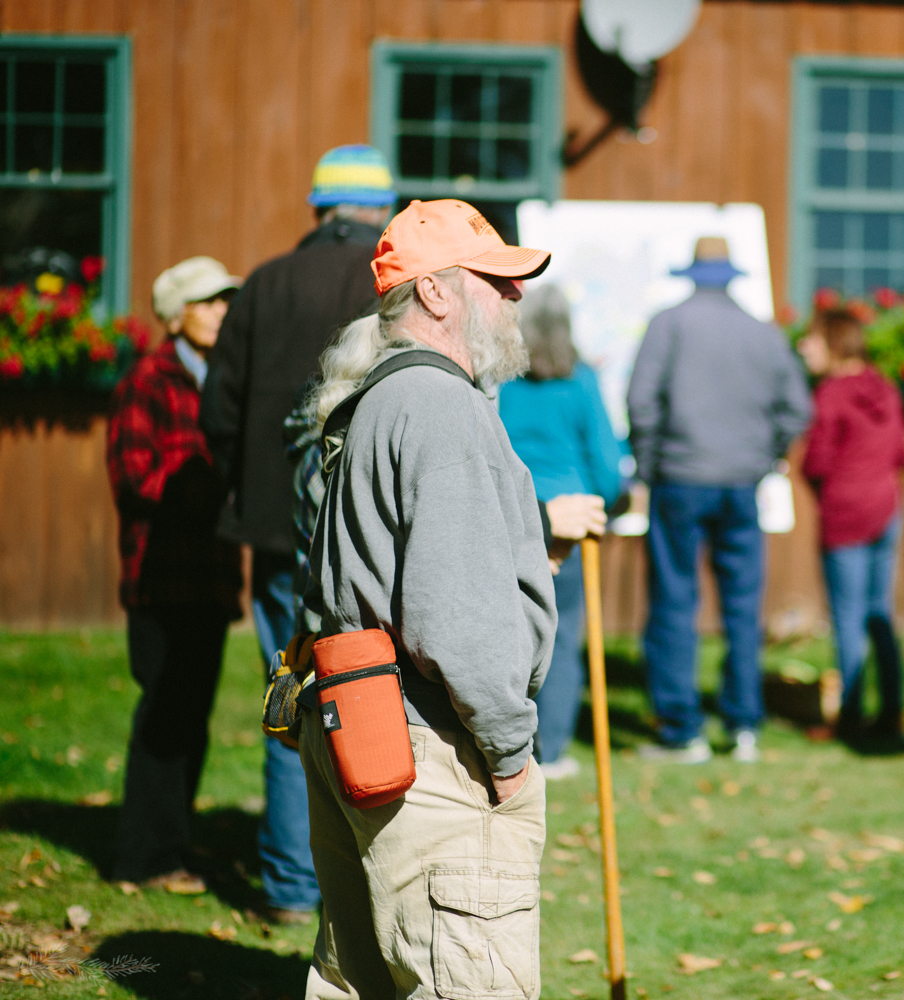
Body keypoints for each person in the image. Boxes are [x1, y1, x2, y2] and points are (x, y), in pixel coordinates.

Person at [299, 198, 555, 998]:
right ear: (437, 293)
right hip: (434, 746)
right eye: (495, 280)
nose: (515, 298)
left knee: (361, 981)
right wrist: (509, 755)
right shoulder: (441, 405)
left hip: (367, 729)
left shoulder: (380, 395)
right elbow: (458, 618)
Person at [200, 144, 396, 922]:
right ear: (378, 211)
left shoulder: (265, 283)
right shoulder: (391, 285)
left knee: (292, 693)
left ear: (319, 209)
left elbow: (218, 411)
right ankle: (365, 876)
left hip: (279, 534)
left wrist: (250, 490)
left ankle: (287, 886)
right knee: (375, 698)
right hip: (373, 537)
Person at [626, 236, 812, 764]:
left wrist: (647, 463)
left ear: (693, 274)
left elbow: (641, 401)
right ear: (731, 277)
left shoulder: (669, 323)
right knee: (741, 604)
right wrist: (764, 455)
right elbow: (796, 409)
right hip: (740, 482)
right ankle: (743, 723)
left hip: (679, 479)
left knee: (674, 601)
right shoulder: (764, 333)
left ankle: (682, 730)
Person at [107, 257, 243, 894]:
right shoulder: (148, 380)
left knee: (192, 717)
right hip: (161, 583)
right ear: (174, 314)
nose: (220, 311)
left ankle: (175, 847)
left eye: (225, 300)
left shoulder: (222, 378)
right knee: (162, 717)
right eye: (207, 301)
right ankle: (144, 857)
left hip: (211, 579)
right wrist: (209, 492)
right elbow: (134, 478)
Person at [499, 284, 621, 779]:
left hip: (515, 517)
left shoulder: (502, 379)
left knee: (510, 633)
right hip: (572, 523)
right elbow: (607, 462)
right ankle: (555, 747)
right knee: (563, 633)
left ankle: (513, 743)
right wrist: (602, 503)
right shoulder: (582, 379)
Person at [796, 307, 904, 742]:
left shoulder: (831, 394)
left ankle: (850, 717)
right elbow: (901, 453)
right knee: (880, 612)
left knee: (847, 617)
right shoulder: (886, 389)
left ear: (835, 343)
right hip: (886, 507)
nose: (804, 346)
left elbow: (817, 461)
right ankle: (893, 712)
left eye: (812, 339)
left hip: (845, 513)